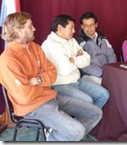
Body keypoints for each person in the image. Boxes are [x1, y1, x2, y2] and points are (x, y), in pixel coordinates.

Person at [0, 12, 102, 141]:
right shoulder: (7, 60)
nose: (34, 29)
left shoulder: (35, 47)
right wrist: (44, 81)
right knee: (77, 131)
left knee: (95, 113)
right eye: (30, 26)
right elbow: (24, 97)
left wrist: (39, 79)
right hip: (33, 107)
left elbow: (52, 73)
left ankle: (59, 138)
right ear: (19, 30)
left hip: (51, 96)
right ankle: (61, 138)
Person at [41, 14, 109, 108]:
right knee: (88, 101)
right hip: (61, 85)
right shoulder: (50, 45)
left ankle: (87, 120)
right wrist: (76, 58)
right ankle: (83, 119)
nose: (74, 31)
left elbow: (87, 59)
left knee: (103, 94)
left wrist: (72, 59)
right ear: (60, 28)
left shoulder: (72, 40)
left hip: (77, 80)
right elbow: (66, 70)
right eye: (71, 28)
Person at [76, 12, 117, 84]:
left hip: (107, 73)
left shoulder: (103, 39)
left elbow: (111, 56)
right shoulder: (78, 43)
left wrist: (110, 71)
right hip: (90, 75)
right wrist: (101, 73)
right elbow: (83, 65)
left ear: (96, 25)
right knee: (108, 85)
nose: (89, 28)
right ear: (82, 26)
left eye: (91, 25)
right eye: (86, 25)